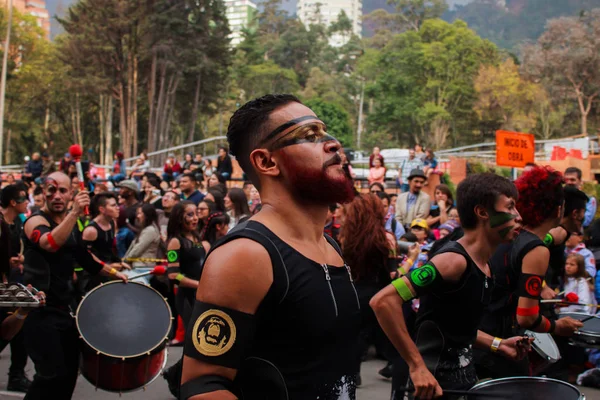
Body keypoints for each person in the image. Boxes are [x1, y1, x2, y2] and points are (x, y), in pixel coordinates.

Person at [180, 94, 360, 399]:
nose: (332, 143)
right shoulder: (245, 255)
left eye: (325, 132)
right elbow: (202, 386)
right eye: (309, 135)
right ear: (266, 161)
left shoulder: (330, 246)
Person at [370, 173, 532, 400]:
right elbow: (383, 301)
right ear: (483, 212)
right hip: (431, 387)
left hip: (462, 384)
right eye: (510, 207)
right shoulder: (452, 261)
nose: (518, 216)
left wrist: (498, 344)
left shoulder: (485, 265)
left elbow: (455, 328)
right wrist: (417, 367)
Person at [21, 172, 127, 400]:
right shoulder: (35, 221)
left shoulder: (70, 226)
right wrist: (75, 213)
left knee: (68, 375)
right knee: (50, 376)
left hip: (64, 311)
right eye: (51, 190)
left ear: (71, 193)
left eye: (62, 190)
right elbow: (49, 243)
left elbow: (86, 259)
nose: (57, 195)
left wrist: (116, 274)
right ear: (43, 193)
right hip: (39, 312)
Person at [476, 166, 585, 380]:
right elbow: (526, 317)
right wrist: (557, 326)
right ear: (558, 210)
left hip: (477, 335)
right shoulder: (536, 250)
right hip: (502, 345)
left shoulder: (505, 237)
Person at [340, 194, 400, 385]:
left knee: (359, 334)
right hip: (381, 293)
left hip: (355, 291)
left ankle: (353, 373)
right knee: (390, 333)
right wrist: (412, 258)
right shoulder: (386, 239)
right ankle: (397, 368)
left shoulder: (346, 238)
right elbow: (393, 275)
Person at [163, 201, 211, 398]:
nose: (194, 218)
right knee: (195, 342)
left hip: (202, 295)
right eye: (189, 215)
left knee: (199, 342)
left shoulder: (197, 239)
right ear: (179, 218)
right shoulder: (175, 242)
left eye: (195, 214)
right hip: (187, 298)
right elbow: (173, 276)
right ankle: (178, 378)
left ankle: (177, 375)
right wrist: (198, 285)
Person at [0, 184, 31, 392]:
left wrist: (11, 262)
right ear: (13, 201)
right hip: (3, 285)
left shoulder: (15, 223)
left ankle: (17, 375)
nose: (27, 202)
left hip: (6, 282)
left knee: (19, 327)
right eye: (24, 198)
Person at [81, 192, 130, 291]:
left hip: (108, 270)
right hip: (93, 275)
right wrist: (110, 269)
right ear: (102, 209)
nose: (118, 208)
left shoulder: (111, 223)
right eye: (113, 205)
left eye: (117, 204)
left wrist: (118, 261)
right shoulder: (91, 230)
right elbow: (87, 257)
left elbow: (108, 250)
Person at [115, 180, 142, 258]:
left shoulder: (138, 209)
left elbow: (140, 230)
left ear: (131, 192)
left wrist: (126, 223)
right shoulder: (120, 207)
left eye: (123, 189)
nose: (120, 191)